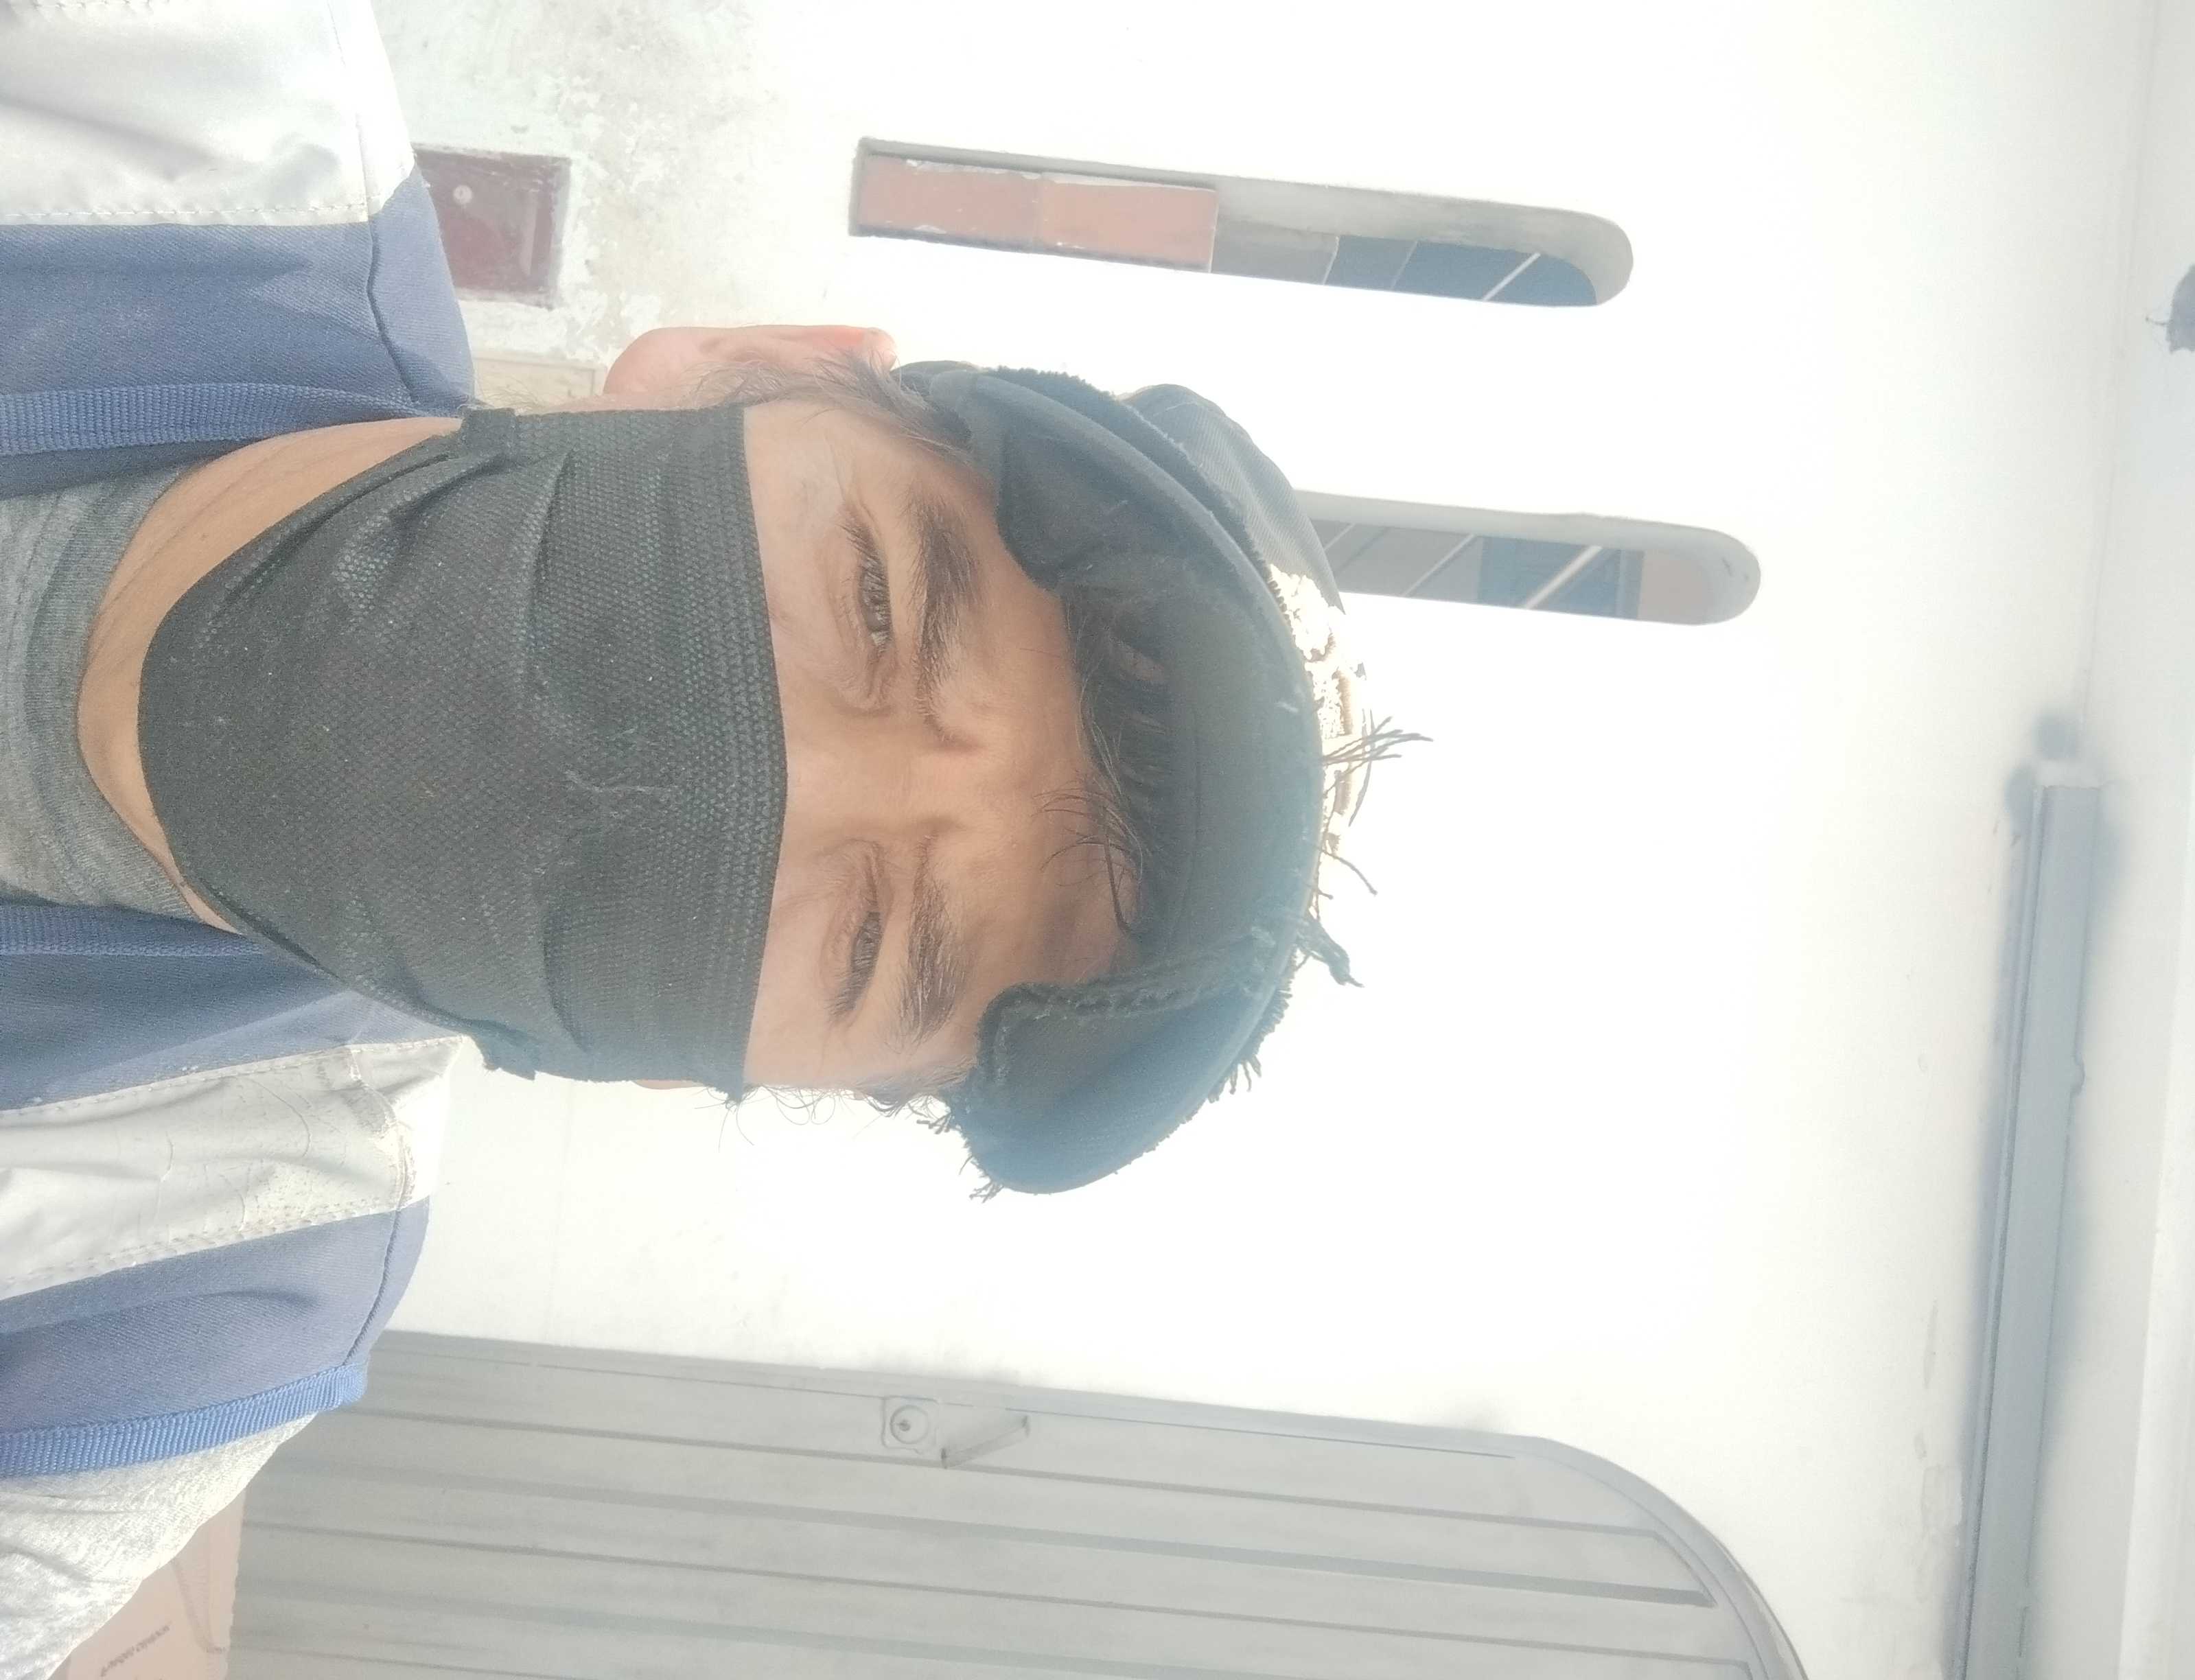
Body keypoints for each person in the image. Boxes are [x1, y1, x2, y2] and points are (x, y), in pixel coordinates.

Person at [0, 2, 1384, 1667]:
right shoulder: (175, 101)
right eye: (875, 602)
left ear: (674, 1070)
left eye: (870, 945)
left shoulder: (169, 1308)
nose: (748, 783)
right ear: (739, 366)